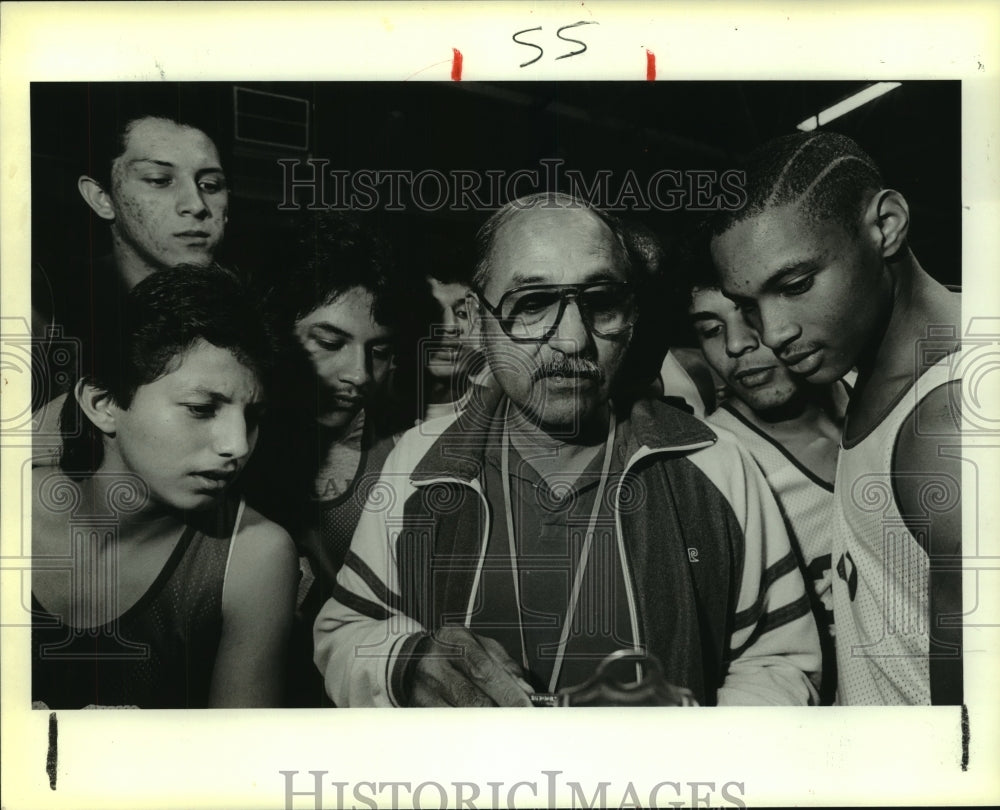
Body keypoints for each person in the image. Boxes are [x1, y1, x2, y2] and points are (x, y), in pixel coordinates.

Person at [313, 192, 821, 707]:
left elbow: (777, 659)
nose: (574, 340)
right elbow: (346, 630)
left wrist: (694, 758)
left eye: (601, 303)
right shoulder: (419, 465)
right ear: (473, 318)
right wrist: (405, 664)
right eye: (532, 304)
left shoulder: (712, 462)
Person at [709, 131, 963, 705]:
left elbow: (972, 742)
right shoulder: (865, 366)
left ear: (887, 225)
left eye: (796, 285)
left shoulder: (948, 425)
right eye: (748, 304)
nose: (772, 334)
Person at [31, 265, 297, 709]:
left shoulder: (253, 556)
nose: (236, 445)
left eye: (253, 418)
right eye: (201, 408)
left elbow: (240, 767)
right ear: (103, 403)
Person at [241, 212, 409, 706]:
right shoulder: (221, 442)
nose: (358, 374)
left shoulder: (401, 456)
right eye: (330, 343)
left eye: (378, 351)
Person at [684, 264, 849, 703]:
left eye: (750, 315)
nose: (736, 345)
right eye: (710, 328)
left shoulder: (878, 396)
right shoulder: (710, 469)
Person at [33, 109, 229, 459]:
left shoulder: (243, 315)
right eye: (159, 179)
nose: (196, 205)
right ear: (101, 198)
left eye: (210, 185)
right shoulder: (46, 306)